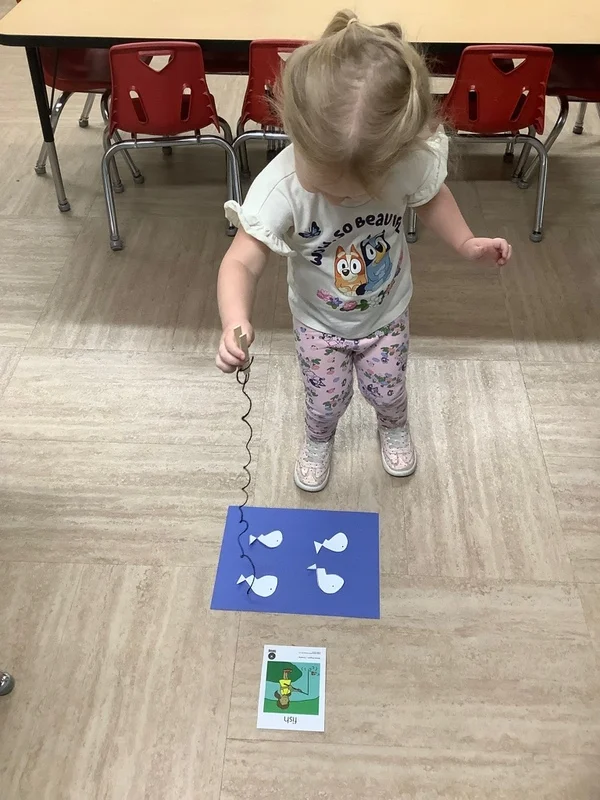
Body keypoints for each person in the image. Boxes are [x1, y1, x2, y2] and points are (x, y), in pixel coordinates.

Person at [216, 10, 512, 492]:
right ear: (297, 137)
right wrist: (234, 318)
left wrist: (465, 242)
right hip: (318, 325)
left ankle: (393, 425)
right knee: (323, 401)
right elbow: (241, 260)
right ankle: (318, 438)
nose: (344, 200)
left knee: (389, 389)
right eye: (330, 188)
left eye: (358, 190)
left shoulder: (404, 159)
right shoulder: (280, 186)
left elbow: (433, 197)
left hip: (387, 314)